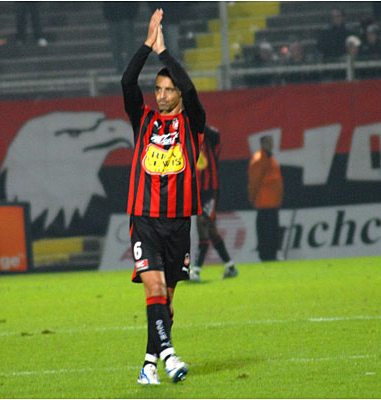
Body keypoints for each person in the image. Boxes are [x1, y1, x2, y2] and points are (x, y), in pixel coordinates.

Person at [121, 9, 205, 385]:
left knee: (166, 302)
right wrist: (146, 45)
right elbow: (126, 82)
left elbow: (191, 89)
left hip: (178, 222)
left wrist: (165, 53)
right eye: (158, 89)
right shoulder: (144, 121)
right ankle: (169, 356)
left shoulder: (192, 122)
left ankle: (149, 365)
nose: (162, 95)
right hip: (145, 219)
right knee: (153, 288)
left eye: (168, 90)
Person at [189, 125, 238, 282]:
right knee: (211, 231)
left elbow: (216, 133)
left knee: (202, 223)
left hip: (211, 192)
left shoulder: (211, 142)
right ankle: (230, 267)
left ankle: (195, 271)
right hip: (197, 193)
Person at [248, 136, 283, 261]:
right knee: (265, 232)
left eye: (271, 141)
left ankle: (272, 255)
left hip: (273, 203)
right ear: (262, 143)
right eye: (268, 142)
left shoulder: (270, 158)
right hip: (263, 203)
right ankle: (265, 255)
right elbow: (254, 182)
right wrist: (253, 198)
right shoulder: (259, 159)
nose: (271, 144)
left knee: (273, 232)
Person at [103, 2, 139, 74]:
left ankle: (128, 67)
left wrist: (131, 16)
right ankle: (120, 67)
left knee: (128, 46)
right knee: (117, 46)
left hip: (123, 19)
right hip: (115, 19)